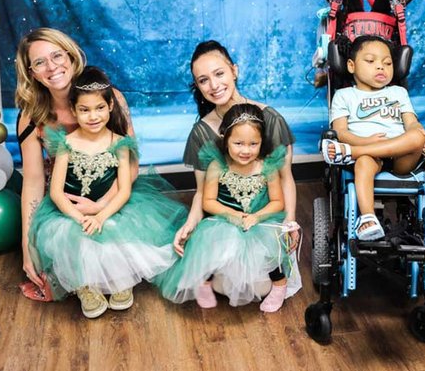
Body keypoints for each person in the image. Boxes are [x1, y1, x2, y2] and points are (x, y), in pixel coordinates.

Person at [28, 67, 187, 318]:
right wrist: (80, 218)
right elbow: (56, 193)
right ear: (74, 110)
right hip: (72, 212)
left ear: (111, 106)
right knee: (74, 239)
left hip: (110, 208)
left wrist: (101, 215)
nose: (93, 116)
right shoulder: (66, 143)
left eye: (99, 108)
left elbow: (124, 190)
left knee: (115, 235)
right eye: (84, 110)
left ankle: (121, 279)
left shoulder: (120, 144)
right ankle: (84, 285)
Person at [15, 28, 138, 293]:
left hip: (111, 193)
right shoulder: (31, 116)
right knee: (66, 263)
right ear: (32, 73)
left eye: (57, 56)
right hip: (66, 201)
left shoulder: (109, 97)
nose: (52, 67)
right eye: (40, 62)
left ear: (71, 57)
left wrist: (101, 206)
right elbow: (33, 182)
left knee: (116, 254)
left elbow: (131, 164)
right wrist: (27, 244)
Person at [156, 104, 300, 312]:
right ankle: (205, 282)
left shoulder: (267, 167)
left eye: (253, 144)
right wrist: (233, 215)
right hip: (225, 219)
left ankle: (279, 284)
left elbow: (277, 202)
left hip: (260, 220)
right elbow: (208, 201)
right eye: (238, 143)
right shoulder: (217, 166)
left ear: (262, 141)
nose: (246, 150)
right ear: (225, 139)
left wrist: (257, 217)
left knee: (270, 243)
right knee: (208, 241)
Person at [173, 40, 300, 256]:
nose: (214, 85)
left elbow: (285, 178)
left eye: (219, 74)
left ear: (234, 71)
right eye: (203, 80)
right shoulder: (201, 132)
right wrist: (189, 224)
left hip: (265, 219)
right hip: (223, 223)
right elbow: (202, 192)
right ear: (198, 86)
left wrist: (289, 223)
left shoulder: (270, 118)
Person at [321, 35, 425, 240]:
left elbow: (411, 123)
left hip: (400, 158)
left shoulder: (398, 92)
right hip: (369, 156)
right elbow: (341, 132)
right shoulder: (344, 96)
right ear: (351, 66)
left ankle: (352, 152)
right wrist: (366, 142)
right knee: (364, 162)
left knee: (416, 137)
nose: (381, 67)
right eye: (371, 61)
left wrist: (421, 132)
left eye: (387, 63)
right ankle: (368, 218)